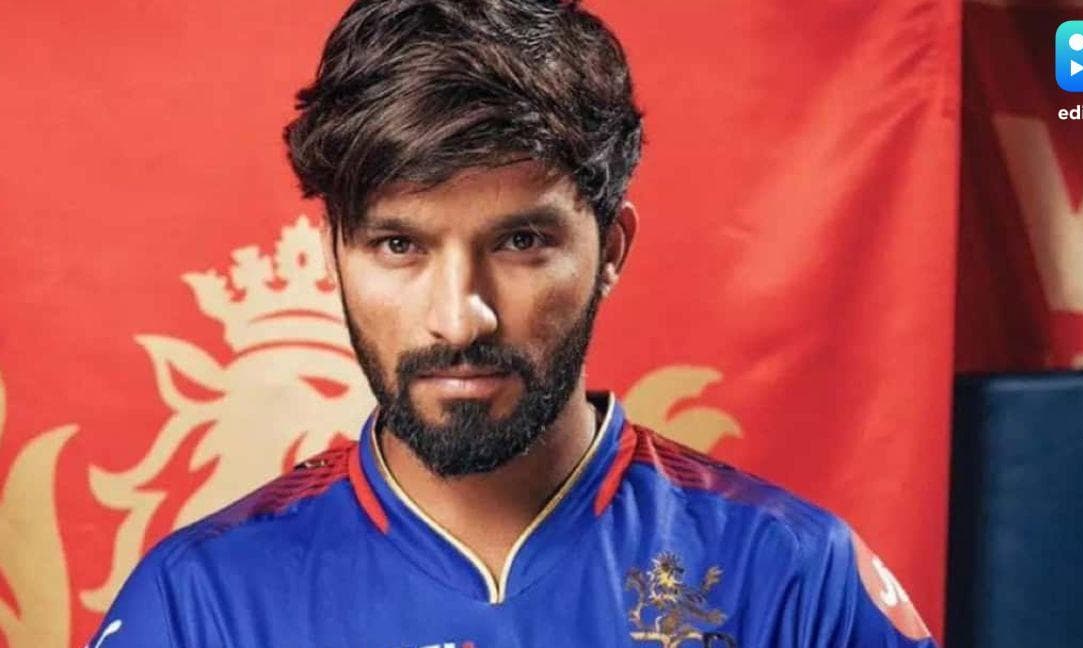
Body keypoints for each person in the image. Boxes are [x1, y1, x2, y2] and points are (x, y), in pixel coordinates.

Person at [90, 1, 936, 645]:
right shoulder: (200, 603)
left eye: (521, 242)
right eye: (399, 246)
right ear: (336, 256)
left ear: (611, 247)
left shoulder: (788, 575)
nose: (460, 317)